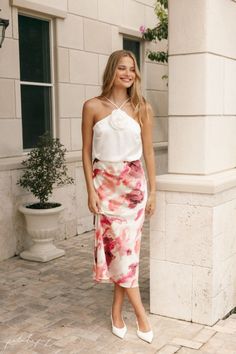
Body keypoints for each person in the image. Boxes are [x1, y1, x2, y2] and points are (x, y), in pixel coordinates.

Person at [82, 49, 156, 343]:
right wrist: (90, 190)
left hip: (134, 190)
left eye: (132, 69)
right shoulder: (92, 106)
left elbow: (148, 152)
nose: (127, 74)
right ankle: (137, 314)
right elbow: (86, 154)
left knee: (127, 253)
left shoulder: (142, 108)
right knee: (119, 252)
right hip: (105, 189)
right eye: (122, 68)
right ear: (112, 70)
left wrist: (154, 191)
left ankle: (121, 312)